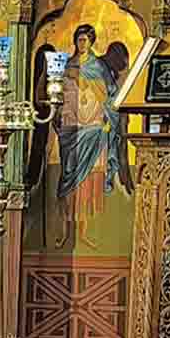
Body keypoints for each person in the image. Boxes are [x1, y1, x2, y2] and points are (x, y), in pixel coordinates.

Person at [55, 25, 129, 228]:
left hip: (93, 123)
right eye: (79, 39)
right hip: (71, 124)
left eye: (85, 40)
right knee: (68, 169)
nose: (82, 44)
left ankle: (88, 226)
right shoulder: (67, 64)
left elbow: (109, 94)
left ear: (91, 42)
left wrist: (83, 81)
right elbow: (58, 93)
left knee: (91, 176)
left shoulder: (97, 66)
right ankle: (66, 224)